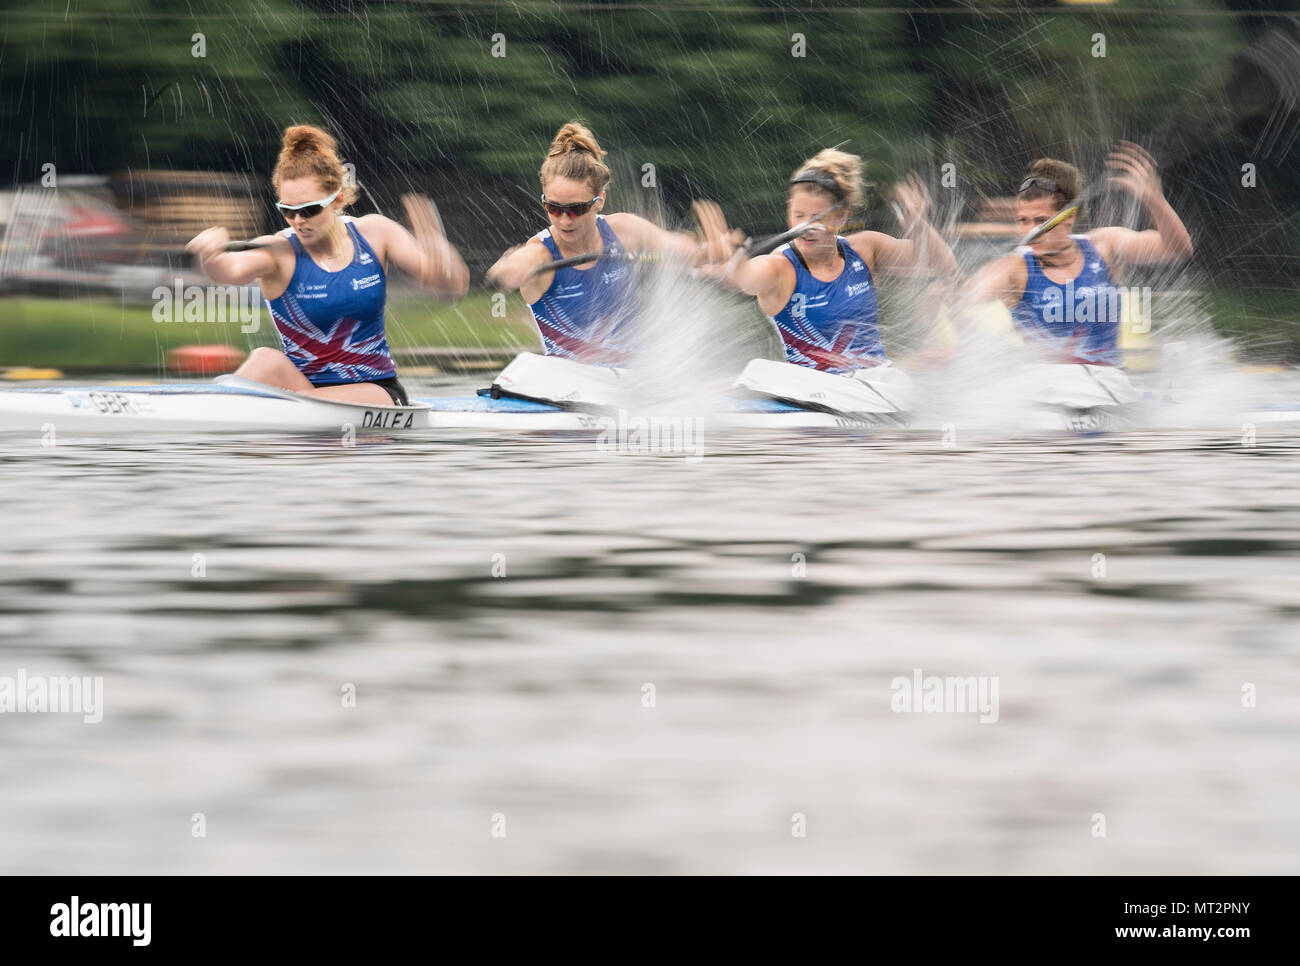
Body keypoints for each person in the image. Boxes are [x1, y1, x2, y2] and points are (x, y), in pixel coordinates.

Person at [186, 124, 468, 406]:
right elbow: (228, 272)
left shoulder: (376, 233)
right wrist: (209, 257)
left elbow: (449, 287)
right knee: (265, 358)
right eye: (288, 211)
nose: (298, 220)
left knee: (292, 400)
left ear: (337, 200)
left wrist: (439, 253)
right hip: (302, 388)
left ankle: (261, 409)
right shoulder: (278, 251)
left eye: (309, 209)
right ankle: (211, 411)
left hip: (374, 391)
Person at [720, 148, 956, 414]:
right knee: (757, 369)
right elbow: (744, 280)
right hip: (809, 391)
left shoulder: (866, 249)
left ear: (841, 216)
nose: (806, 226)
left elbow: (944, 264)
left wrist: (918, 223)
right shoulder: (779, 267)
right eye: (798, 216)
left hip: (875, 384)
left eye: (817, 218)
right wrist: (736, 257)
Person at [486, 121, 733, 367]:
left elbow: (680, 250)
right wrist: (506, 270)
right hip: (571, 389)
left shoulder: (625, 231)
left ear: (599, 201)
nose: (564, 219)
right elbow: (507, 270)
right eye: (553, 208)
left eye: (576, 209)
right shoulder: (541, 255)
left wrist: (710, 251)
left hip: (634, 382)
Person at [961, 142, 1193, 366]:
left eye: (1041, 220)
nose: (1031, 230)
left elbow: (1177, 249)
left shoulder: (1105, 245)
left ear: (1068, 217)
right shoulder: (1013, 267)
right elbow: (963, 299)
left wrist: (1155, 201)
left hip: (1108, 385)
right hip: (1044, 391)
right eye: (1023, 220)